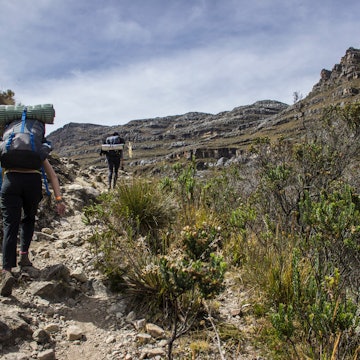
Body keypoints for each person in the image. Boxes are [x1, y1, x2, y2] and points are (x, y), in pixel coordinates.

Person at [0, 158, 66, 297]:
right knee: (28, 219)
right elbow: (52, 175)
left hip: (10, 181)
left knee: (10, 225)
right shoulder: (35, 146)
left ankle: (6, 270)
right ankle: (24, 255)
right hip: (32, 182)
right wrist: (58, 199)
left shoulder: (8, 145)